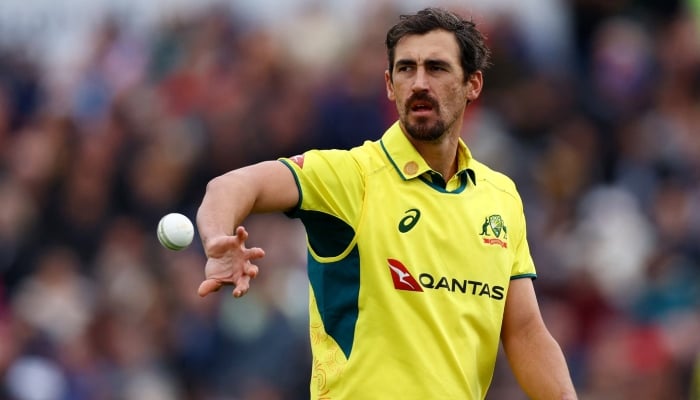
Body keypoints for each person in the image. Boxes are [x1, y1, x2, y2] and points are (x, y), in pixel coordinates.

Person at [195, 7, 578, 399]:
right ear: (390, 85)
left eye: (437, 68)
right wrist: (216, 239)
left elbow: (524, 331)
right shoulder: (350, 177)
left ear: (473, 84)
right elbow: (233, 185)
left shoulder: (500, 197)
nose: (419, 83)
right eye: (406, 69)